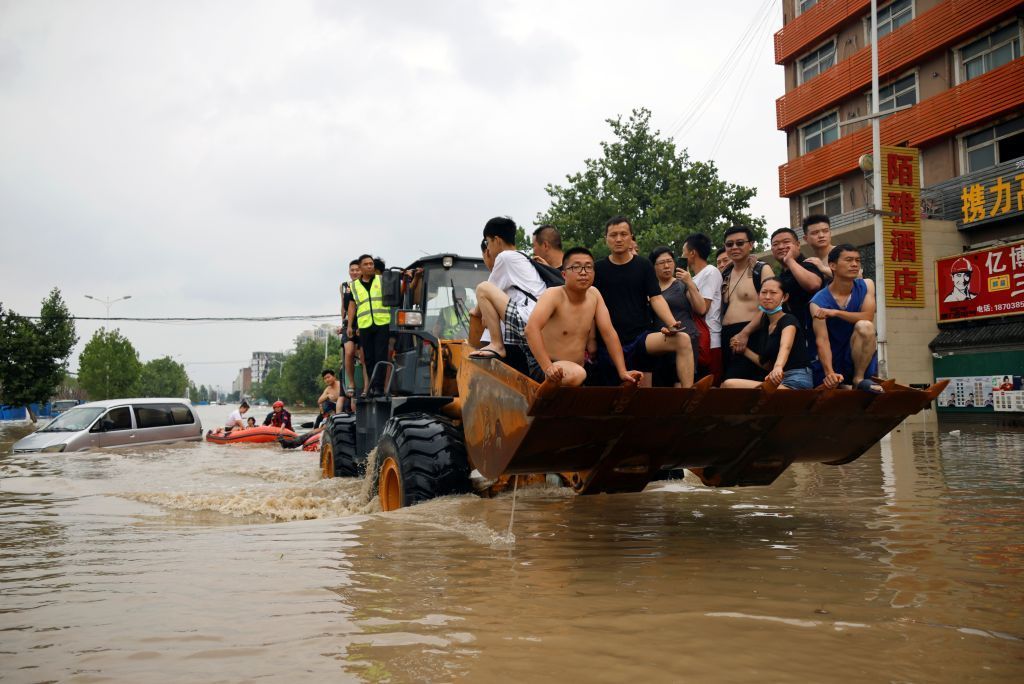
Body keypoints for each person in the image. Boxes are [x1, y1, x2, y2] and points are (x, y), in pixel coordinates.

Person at [592, 216, 693, 387]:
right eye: (613, 235)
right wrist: (591, 340)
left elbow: (656, 297)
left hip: (640, 338)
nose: (618, 239)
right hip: (608, 342)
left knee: (683, 339)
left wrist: (671, 323)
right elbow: (589, 307)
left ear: (631, 237)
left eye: (623, 234)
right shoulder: (597, 269)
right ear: (606, 239)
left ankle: (689, 396)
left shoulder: (643, 265)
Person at [524, 247, 643, 387]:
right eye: (576, 267)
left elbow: (609, 333)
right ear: (563, 274)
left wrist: (623, 371)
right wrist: (548, 367)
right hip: (546, 365)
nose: (583, 272)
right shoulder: (553, 295)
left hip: (576, 370)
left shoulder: (594, 295)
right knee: (578, 374)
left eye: (588, 267)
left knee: (582, 376)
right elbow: (531, 329)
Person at [731, 228, 828, 360]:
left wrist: (789, 260)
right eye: (776, 244)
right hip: (793, 338)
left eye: (786, 242)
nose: (781, 247)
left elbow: (813, 285)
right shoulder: (782, 276)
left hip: (815, 336)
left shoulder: (808, 265)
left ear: (798, 245)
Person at [469, 216, 547, 363]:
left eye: (488, 242)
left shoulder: (505, 257)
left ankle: (497, 345)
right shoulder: (522, 256)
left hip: (527, 319)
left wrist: (474, 312)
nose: (488, 249)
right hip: (540, 321)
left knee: (482, 287)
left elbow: (483, 301)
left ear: (497, 240)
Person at [809, 244, 882, 393]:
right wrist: (829, 373)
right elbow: (822, 341)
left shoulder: (867, 285)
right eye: (848, 260)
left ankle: (858, 379)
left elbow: (868, 316)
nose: (855, 264)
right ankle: (841, 381)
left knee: (865, 326)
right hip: (832, 360)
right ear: (832, 265)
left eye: (857, 260)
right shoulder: (818, 302)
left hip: (857, 358)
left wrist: (836, 313)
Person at [722, 278, 813, 390]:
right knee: (727, 385)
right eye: (764, 292)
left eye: (773, 293)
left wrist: (778, 367)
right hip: (776, 379)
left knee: (729, 385)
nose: (767, 297)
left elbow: (786, 346)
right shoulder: (765, 324)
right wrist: (744, 350)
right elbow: (767, 365)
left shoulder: (789, 320)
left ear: (785, 297)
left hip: (796, 379)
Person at [721, 226, 774, 382]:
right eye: (729, 244)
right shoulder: (725, 274)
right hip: (727, 335)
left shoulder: (762, 269)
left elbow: (768, 305)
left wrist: (745, 333)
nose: (734, 247)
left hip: (753, 333)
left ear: (751, 245)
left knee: (748, 385)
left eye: (740, 243)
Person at [650, 246, 701, 379]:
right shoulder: (649, 288)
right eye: (661, 263)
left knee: (681, 385)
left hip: (686, 338)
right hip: (660, 342)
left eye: (670, 261)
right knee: (661, 386)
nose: (666, 266)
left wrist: (689, 282)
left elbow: (701, 308)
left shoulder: (681, 284)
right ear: (653, 266)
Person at [349, 253, 392, 394]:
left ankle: (378, 388)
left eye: (371, 264)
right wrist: (350, 325)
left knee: (381, 355)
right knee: (368, 357)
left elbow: (399, 289)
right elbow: (352, 306)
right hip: (365, 325)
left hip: (381, 323)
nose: (369, 266)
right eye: (366, 264)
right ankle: (372, 386)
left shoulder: (382, 280)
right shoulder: (354, 286)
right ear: (360, 268)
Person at [684, 232, 723, 384]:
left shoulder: (711, 271)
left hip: (711, 341)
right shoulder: (692, 278)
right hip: (696, 340)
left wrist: (688, 284)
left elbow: (702, 308)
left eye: (683, 252)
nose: (682, 256)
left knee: (710, 389)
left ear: (692, 253)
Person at [339, 259, 366, 404]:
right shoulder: (344, 286)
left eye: (357, 270)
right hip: (348, 324)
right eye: (352, 270)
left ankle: (365, 385)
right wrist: (342, 323)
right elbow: (343, 306)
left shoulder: (364, 285)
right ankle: (351, 383)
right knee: (348, 352)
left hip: (363, 322)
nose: (354, 272)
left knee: (363, 357)